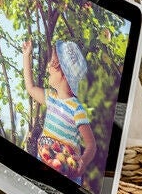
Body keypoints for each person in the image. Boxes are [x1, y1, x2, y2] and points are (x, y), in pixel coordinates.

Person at [22, 36, 97, 184]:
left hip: (67, 173)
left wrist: (82, 161)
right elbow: (30, 88)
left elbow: (91, 145)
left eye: (53, 62)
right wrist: (26, 56)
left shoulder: (77, 109)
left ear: (62, 71)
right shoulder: (51, 98)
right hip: (44, 160)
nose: (49, 65)